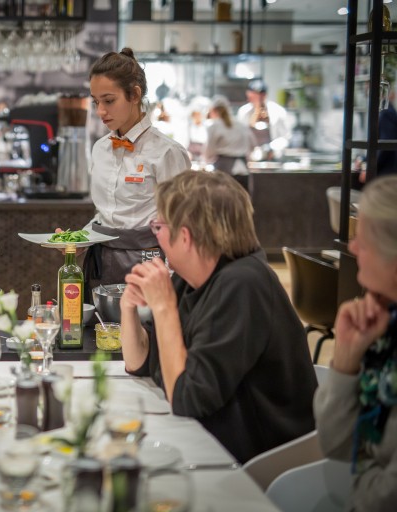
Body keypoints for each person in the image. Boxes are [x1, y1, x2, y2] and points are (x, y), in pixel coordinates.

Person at [119, 170, 317, 463]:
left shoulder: (243, 284)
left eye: (158, 226)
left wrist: (163, 308)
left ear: (184, 236)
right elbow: (141, 363)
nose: (156, 235)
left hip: (259, 465)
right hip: (212, 442)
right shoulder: (189, 280)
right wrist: (128, 309)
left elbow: (187, 399)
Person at [314, 175, 397, 511]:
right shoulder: (383, 333)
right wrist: (346, 360)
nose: (352, 247)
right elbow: (336, 444)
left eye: (363, 239)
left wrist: (365, 471)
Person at [83, 48, 191, 290]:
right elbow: (105, 214)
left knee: (145, 327)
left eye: (109, 101)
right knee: (100, 327)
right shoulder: (100, 149)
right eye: (96, 101)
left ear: (134, 94)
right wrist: (81, 238)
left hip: (148, 262)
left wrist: (175, 284)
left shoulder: (167, 152)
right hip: (100, 260)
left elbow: (180, 222)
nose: (100, 111)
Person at [204, 95, 256, 188]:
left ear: (214, 110)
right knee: (243, 200)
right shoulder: (241, 125)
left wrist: (207, 160)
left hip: (224, 170)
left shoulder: (214, 126)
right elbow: (253, 145)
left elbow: (209, 151)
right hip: (243, 169)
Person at [236, 78, 290, 161]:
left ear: (265, 95)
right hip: (249, 157)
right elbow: (239, 135)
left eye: (260, 95)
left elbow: (285, 137)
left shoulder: (278, 111)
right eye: (254, 94)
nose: (258, 98)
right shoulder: (244, 112)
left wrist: (271, 148)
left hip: (272, 157)